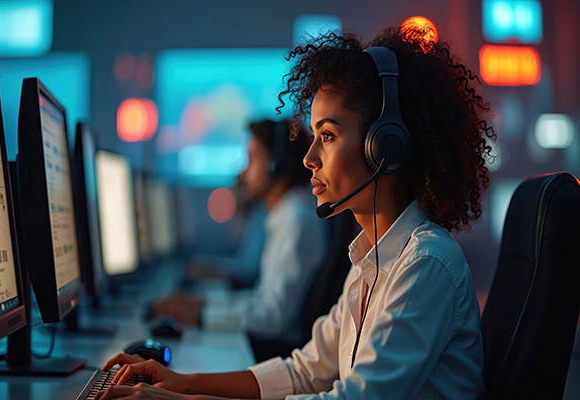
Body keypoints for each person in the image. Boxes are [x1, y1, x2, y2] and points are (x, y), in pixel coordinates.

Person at [97, 23, 496, 400]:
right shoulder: (370, 262)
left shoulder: (426, 264)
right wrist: (182, 384)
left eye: (328, 135)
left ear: (386, 147)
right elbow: (305, 370)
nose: (308, 157)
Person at [150, 119, 328, 350]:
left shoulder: (297, 222)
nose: (243, 172)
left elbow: (274, 317)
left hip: (277, 350)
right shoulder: (283, 215)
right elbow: (261, 299)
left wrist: (201, 315)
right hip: (269, 344)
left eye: (252, 159)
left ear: (278, 164)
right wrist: (200, 304)